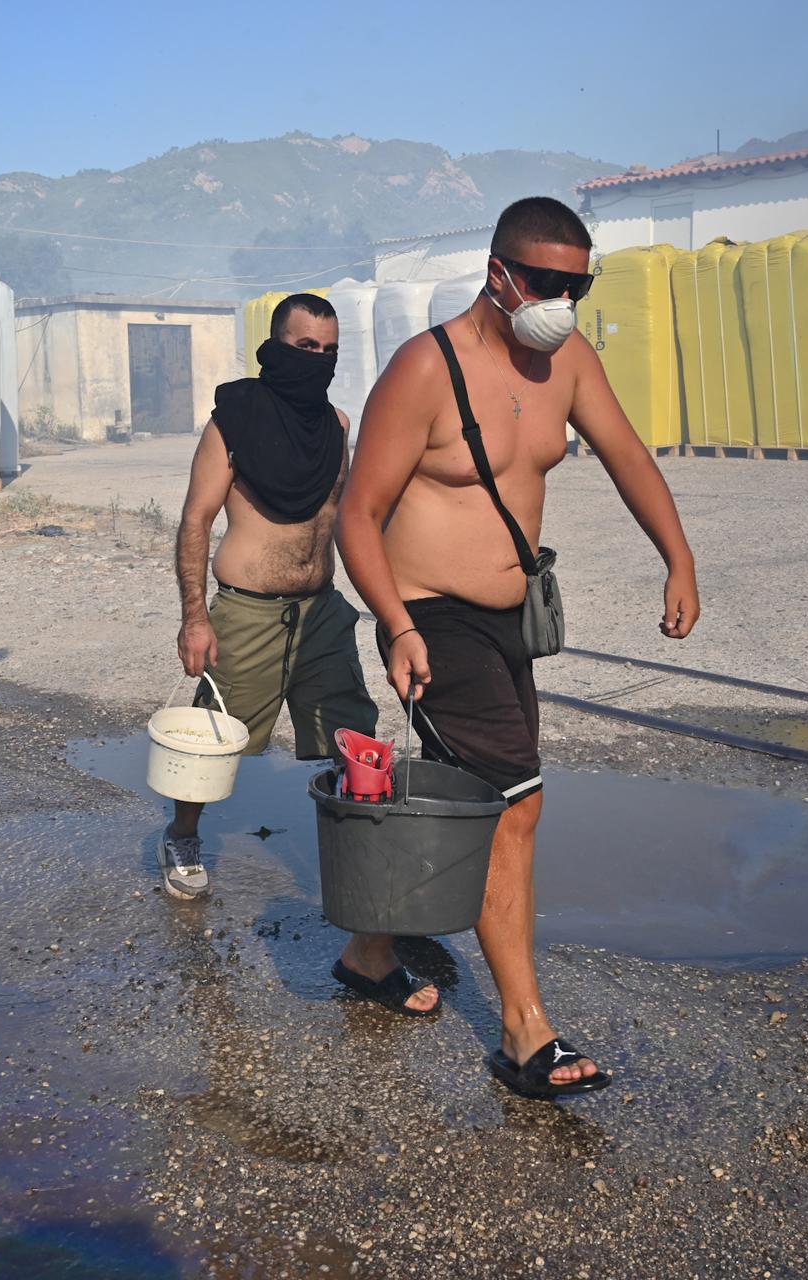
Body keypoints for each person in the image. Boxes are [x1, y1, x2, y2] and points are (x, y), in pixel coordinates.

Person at [336, 198, 700, 1098]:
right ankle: (524, 1030)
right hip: (435, 614)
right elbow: (358, 514)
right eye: (548, 282)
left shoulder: (568, 359)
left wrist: (679, 557)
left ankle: (370, 950)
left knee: (475, 795)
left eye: (580, 283)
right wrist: (398, 624)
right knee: (516, 805)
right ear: (499, 275)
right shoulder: (424, 368)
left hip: (511, 619)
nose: (564, 301)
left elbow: (628, 457)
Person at [168, 292, 441, 1016]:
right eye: (303, 348)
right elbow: (196, 521)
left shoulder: (337, 427)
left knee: (357, 748)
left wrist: (394, 613)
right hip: (248, 612)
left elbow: (352, 524)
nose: (315, 362)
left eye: (328, 351)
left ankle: (372, 905)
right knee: (212, 745)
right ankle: (183, 837)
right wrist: (196, 616)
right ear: (274, 347)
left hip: (321, 614)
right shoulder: (233, 424)